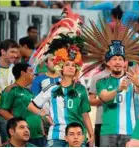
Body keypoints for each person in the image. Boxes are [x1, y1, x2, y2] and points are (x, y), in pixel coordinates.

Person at [82, 14, 139, 147]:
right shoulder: (101, 81)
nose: (117, 62)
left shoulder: (132, 78)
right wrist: (119, 89)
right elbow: (104, 97)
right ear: (108, 63)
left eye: (120, 59)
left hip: (129, 131)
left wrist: (137, 83)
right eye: (114, 59)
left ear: (125, 62)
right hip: (108, 132)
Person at [27, 5, 94, 147]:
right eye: (67, 65)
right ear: (60, 68)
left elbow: (85, 114)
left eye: (73, 65)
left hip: (77, 136)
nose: (70, 67)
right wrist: (44, 115)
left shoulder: (81, 89)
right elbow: (31, 106)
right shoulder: (51, 88)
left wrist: (91, 134)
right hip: (56, 135)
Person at [0, 63, 46, 147]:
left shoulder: (30, 92)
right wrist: (17, 123)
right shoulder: (11, 90)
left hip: (38, 135)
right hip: (22, 136)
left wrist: (42, 129)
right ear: (23, 73)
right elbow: (2, 110)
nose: (33, 74)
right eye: (30, 71)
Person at [0, 39, 19, 144]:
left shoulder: (15, 70)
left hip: (7, 113)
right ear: (3, 52)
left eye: (16, 52)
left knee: (9, 143)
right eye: (12, 52)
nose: (15, 55)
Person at [89, 64, 110, 147]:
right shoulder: (97, 77)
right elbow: (91, 101)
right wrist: (107, 98)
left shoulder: (125, 77)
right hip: (101, 121)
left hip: (122, 123)